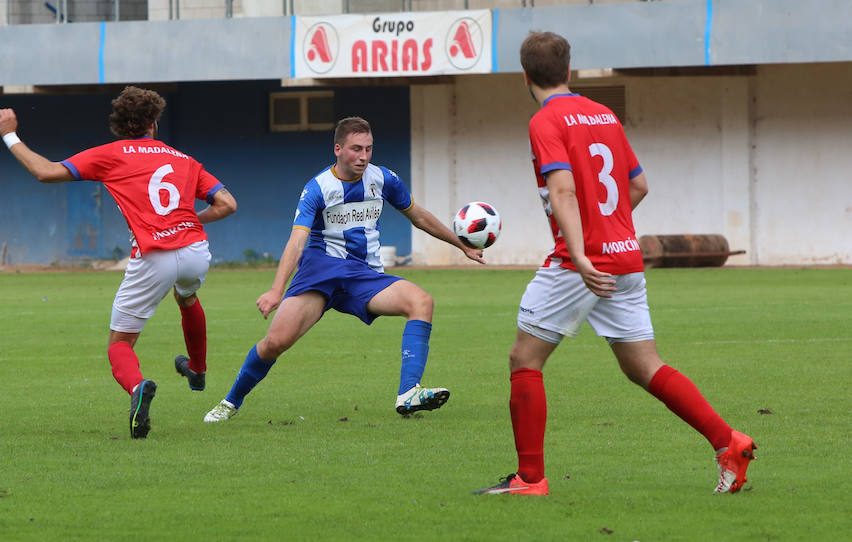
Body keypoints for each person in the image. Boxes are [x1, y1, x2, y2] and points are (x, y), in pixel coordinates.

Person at [474, 33, 756, 495]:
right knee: (644, 366)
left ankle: (529, 480)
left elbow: (562, 189)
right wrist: (611, 229)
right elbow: (640, 185)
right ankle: (728, 441)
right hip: (625, 259)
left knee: (524, 358)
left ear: (524, 75)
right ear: (570, 70)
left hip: (580, 264)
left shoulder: (545, 121)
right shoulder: (604, 114)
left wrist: (582, 252)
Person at [203, 116, 483, 423]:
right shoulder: (318, 188)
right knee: (275, 343)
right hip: (320, 273)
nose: (363, 156)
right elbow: (297, 240)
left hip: (363, 276)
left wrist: (462, 245)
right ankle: (230, 402)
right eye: (355, 149)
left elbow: (418, 216)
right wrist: (276, 290)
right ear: (338, 149)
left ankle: (408, 393)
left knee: (421, 302)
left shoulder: (384, 179)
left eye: (368, 148)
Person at [0, 86, 237, 439]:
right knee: (186, 298)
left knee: (119, 344)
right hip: (196, 251)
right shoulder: (183, 159)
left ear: (120, 125)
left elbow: (45, 172)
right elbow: (227, 204)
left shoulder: (111, 154)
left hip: (155, 257)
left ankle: (138, 387)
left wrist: (9, 134)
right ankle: (197, 371)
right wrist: (191, 220)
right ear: (154, 122)